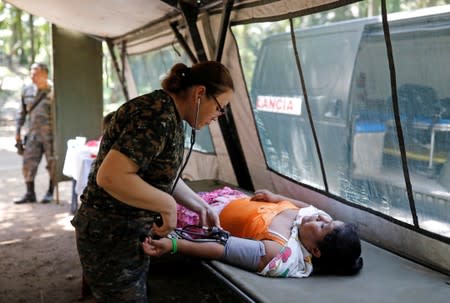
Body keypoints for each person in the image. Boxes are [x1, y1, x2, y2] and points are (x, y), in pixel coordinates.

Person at [71, 61, 234, 302]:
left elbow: (159, 176)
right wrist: (166, 205)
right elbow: (110, 176)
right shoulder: (156, 115)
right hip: (109, 234)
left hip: (126, 233)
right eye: (220, 107)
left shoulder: (171, 116)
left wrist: (200, 205)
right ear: (200, 93)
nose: (218, 116)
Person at [143, 189, 363, 277]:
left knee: (146, 202)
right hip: (223, 199)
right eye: (330, 220)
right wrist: (274, 197)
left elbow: (222, 249)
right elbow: (304, 206)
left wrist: (173, 246)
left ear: (315, 250)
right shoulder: (314, 218)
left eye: (324, 226)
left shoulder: (279, 253)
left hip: (199, 216)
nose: (322, 217)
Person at [14, 63, 55, 204]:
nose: (33, 76)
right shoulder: (26, 90)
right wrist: (18, 131)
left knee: (52, 164)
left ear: (45, 74)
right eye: (31, 73)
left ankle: (50, 192)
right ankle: (30, 193)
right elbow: (21, 113)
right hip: (32, 135)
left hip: (51, 136)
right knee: (28, 163)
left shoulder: (54, 91)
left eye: (36, 73)